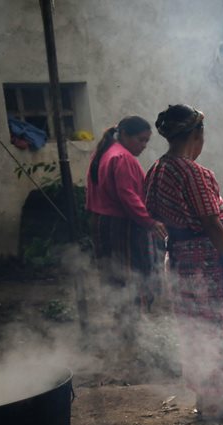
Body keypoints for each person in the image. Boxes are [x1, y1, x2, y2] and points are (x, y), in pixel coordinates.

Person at [144, 104, 223, 419]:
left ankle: (207, 399)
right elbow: (212, 224)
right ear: (197, 134)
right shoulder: (191, 172)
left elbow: (155, 215)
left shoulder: (157, 169)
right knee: (216, 325)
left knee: (195, 327)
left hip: (179, 257)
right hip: (205, 260)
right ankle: (213, 404)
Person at [85, 115, 166, 313]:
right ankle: (134, 321)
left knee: (114, 275)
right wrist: (149, 222)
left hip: (103, 222)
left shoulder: (106, 152)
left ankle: (121, 320)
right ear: (123, 134)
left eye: (147, 141)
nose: (144, 145)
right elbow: (127, 195)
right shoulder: (121, 157)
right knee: (133, 273)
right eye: (140, 139)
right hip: (122, 225)